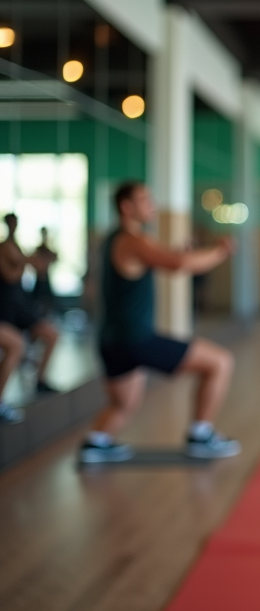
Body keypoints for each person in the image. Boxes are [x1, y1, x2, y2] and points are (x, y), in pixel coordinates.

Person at [79, 181, 241, 463]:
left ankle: (97, 442)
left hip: (111, 340)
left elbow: (163, 258)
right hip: (135, 339)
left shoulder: (115, 239)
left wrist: (179, 252)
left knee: (123, 405)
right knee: (219, 362)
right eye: (144, 199)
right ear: (126, 207)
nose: (151, 204)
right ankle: (201, 435)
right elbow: (177, 264)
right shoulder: (134, 240)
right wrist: (220, 252)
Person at [0, 213, 60, 403]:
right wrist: (25, 262)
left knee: (50, 334)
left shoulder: (17, 246)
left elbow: (38, 266)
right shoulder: (3, 247)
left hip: (20, 304)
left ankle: (39, 379)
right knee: (16, 346)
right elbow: (10, 275)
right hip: (5, 307)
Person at [31, 227, 58, 315]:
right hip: (39, 279)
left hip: (45, 278)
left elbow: (55, 259)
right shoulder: (38, 249)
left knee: (49, 301)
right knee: (36, 302)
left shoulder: (48, 250)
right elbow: (32, 262)